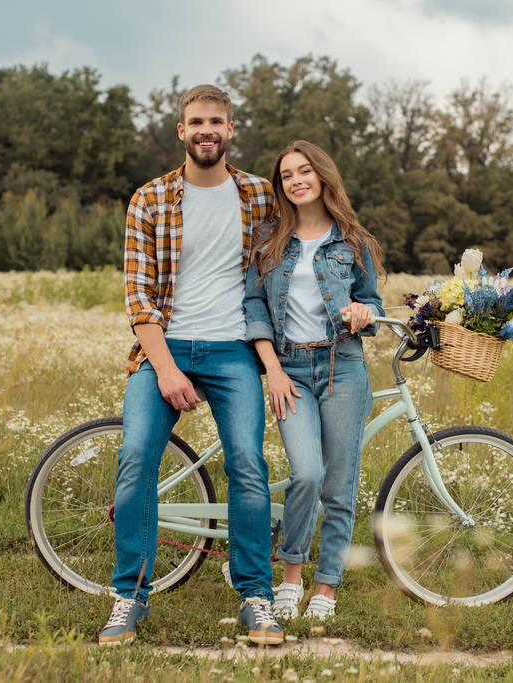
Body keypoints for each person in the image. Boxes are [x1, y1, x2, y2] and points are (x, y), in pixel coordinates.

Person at [99, 84, 284, 646]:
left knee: (248, 464)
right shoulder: (150, 199)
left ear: (231, 130)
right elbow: (139, 296)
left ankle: (256, 597)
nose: (207, 130)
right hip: (166, 350)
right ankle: (129, 597)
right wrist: (167, 369)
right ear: (181, 131)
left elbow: (299, 253)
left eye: (217, 121)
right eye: (196, 121)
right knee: (135, 458)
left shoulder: (258, 196)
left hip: (233, 350)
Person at [243, 140, 385, 621]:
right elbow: (254, 307)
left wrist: (365, 313)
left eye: (304, 171)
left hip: (343, 366)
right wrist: (273, 371)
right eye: (286, 175)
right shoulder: (268, 241)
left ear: (323, 176)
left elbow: (373, 304)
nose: (296, 180)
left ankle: (326, 587)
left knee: (339, 484)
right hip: (291, 372)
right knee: (306, 473)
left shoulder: (353, 241)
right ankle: (291, 574)